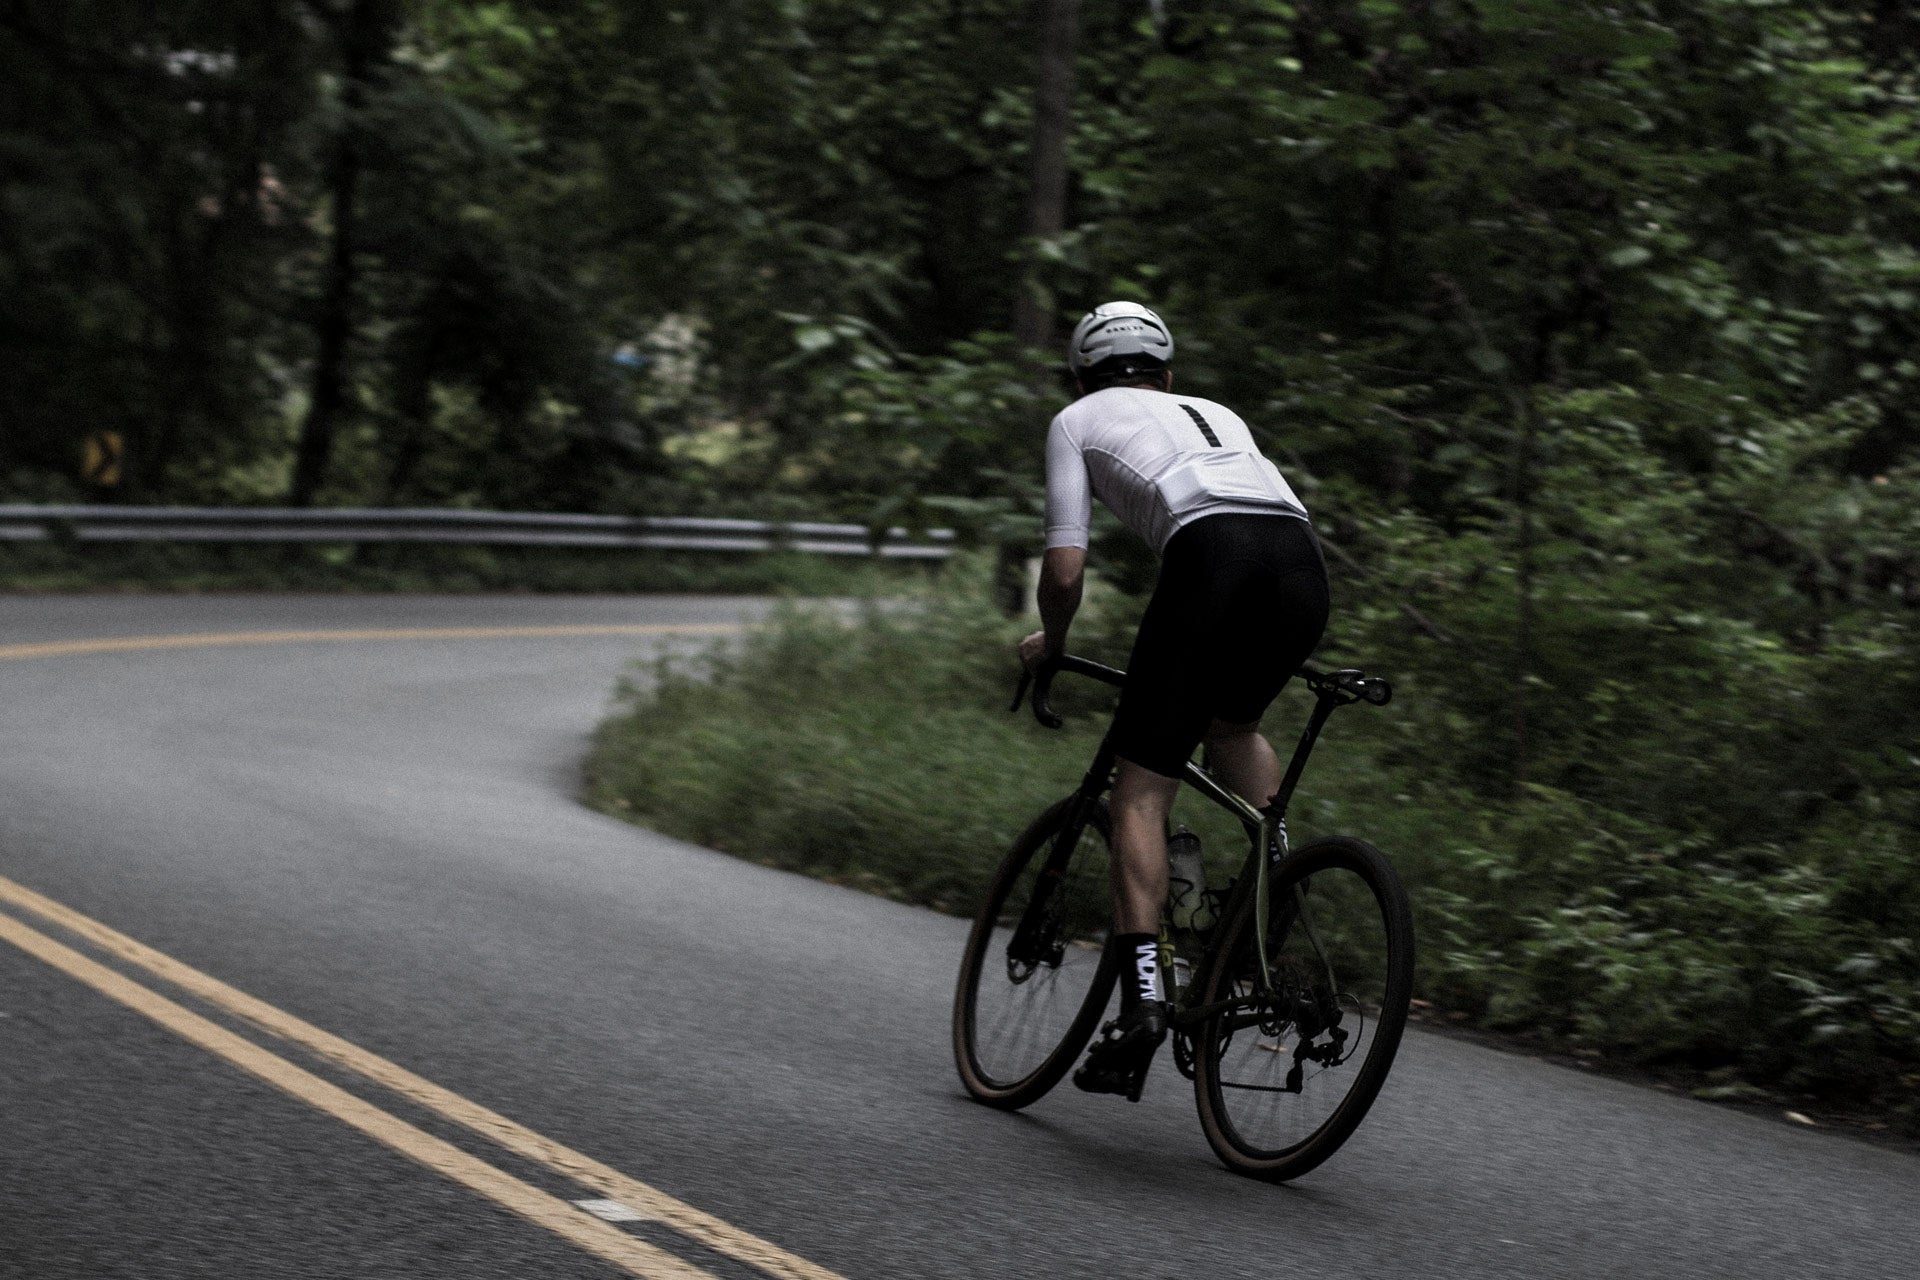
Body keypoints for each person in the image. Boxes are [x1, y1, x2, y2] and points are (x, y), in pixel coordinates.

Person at [1018, 301, 1330, 1101]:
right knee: (1234, 722)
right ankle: (1273, 885)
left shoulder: (1076, 417)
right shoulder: (1219, 412)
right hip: (1300, 567)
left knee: (1141, 790)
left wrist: (1051, 643)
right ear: (1166, 373)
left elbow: (1063, 571)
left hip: (1211, 558)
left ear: (1083, 372)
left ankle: (1143, 1006)